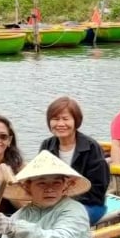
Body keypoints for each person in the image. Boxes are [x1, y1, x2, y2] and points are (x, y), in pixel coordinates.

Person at [38, 96, 110, 225]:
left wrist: (66, 200)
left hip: (89, 205)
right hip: (53, 203)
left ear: (76, 121)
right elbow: (39, 180)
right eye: (55, 119)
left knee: (60, 222)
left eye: (65, 119)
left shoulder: (91, 148)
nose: (60, 124)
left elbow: (98, 189)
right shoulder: (46, 147)